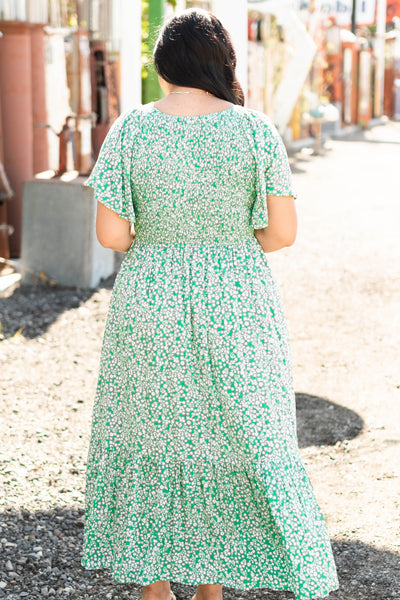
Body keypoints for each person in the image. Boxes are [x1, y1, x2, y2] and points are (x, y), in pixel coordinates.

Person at [81, 8, 339, 600]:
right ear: (221, 60)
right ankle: (212, 587)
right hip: (237, 296)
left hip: (152, 295)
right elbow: (282, 233)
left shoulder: (130, 129)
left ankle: (152, 584)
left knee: (153, 432)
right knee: (234, 434)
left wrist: (168, 239)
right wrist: (223, 246)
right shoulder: (252, 131)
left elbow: (112, 236)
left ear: (163, 64)